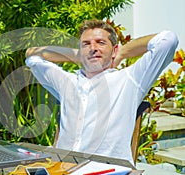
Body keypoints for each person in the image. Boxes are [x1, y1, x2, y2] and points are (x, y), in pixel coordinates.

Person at [25, 19, 179, 165]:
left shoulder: (129, 80)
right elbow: (32, 55)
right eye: (86, 44)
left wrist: (122, 53)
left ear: (114, 49)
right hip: (62, 170)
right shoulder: (67, 81)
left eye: (101, 43)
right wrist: (80, 55)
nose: (93, 48)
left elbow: (168, 40)